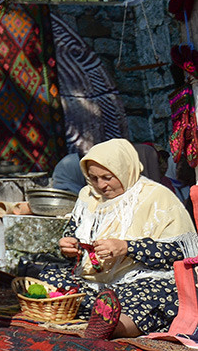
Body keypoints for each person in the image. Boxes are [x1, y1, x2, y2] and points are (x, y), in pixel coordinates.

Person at [37, 139, 198, 339]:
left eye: (107, 177)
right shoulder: (88, 196)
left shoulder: (157, 197)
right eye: (94, 178)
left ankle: (114, 326)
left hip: (141, 280)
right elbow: (74, 232)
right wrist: (69, 245)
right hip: (95, 281)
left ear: (125, 170)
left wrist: (128, 248)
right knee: (49, 276)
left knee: (162, 294)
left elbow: (181, 251)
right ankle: (103, 313)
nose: (101, 185)